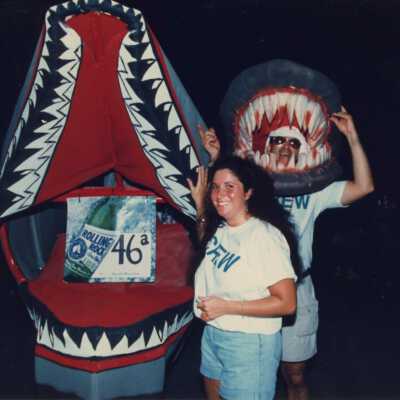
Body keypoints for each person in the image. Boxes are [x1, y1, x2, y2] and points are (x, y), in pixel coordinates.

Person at [190, 107, 374, 400]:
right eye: (278, 140)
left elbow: (364, 187)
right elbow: (224, 195)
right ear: (265, 145)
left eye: (294, 142)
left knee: (294, 374)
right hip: (241, 291)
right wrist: (215, 158)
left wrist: (352, 138)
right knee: (244, 373)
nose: (285, 147)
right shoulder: (251, 188)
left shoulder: (311, 189)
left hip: (292, 288)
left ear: (303, 150)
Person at [189, 156, 298, 400]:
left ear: (247, 192)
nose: (219, 194)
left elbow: (287, 303)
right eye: (215, 187)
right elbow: (205, 240)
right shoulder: (222, 227)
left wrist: (226, 306)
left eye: (230, 186)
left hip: (249, 342)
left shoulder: (264, 237)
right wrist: (199, 206)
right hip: (214, 333)